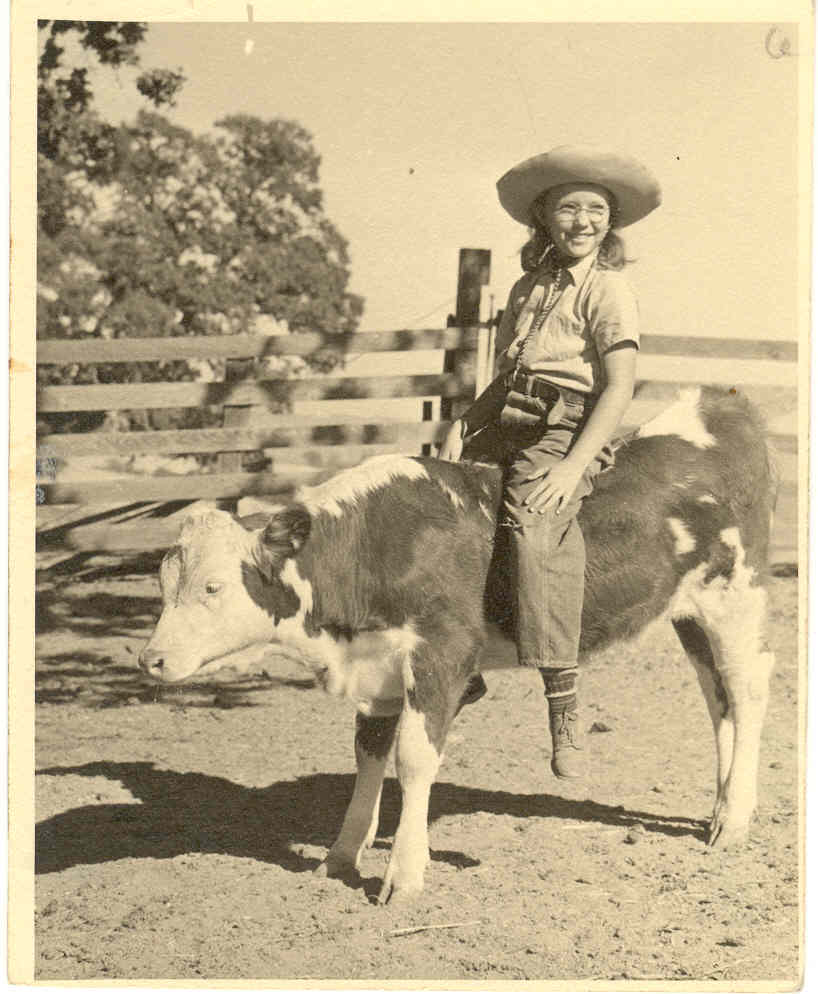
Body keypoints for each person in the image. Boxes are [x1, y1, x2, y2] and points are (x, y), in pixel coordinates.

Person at [440, 145, 661, 779]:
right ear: (544, 217)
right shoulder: (527, 287)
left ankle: (562, 703)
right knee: (443, 509)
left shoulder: (610, 288)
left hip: (565, 427)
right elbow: (508, 373)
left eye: (596, 210)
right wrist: (465, 424)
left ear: (610, 222)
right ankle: (461, 670)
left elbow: (618, 385)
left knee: (536, 530)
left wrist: (570, 468)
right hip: (507, 416)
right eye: (568, 208)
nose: (582, 221)